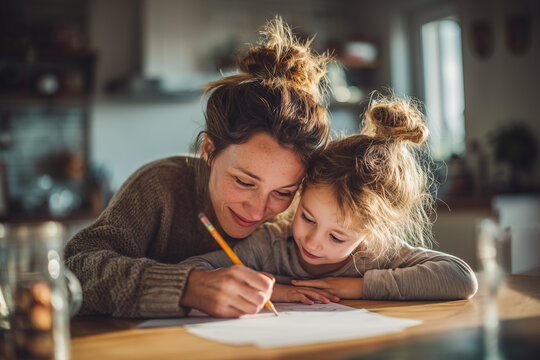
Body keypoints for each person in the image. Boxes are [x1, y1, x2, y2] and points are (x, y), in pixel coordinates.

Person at [64, 17, 331, 318]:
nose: (258, 211)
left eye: (282, 192)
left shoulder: (305, 214)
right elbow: (76, 266)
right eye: (244, 182)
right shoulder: (160, 186)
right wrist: (188, 286)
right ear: (209, 149)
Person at [181, 95, 478, 304]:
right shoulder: (272, 244)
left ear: (375, 232)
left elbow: (461, 278)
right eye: (307, 217)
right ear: (302, 191)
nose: (311, 242)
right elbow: (194, 270)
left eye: (337, 237)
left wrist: (356, 287)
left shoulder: (374, 255)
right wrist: (273, 291)